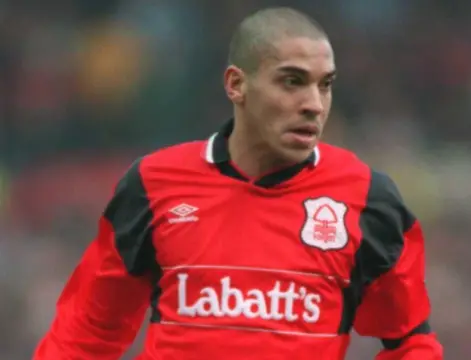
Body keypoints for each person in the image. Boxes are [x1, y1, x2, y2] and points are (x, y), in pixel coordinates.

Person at [33, 7, 443, 360]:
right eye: (292, 81)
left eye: (325, 84)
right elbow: (85, 335)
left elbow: (411, 342)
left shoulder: (369, 198)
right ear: (236, 84)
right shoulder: (152, 185)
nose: (314, 104)